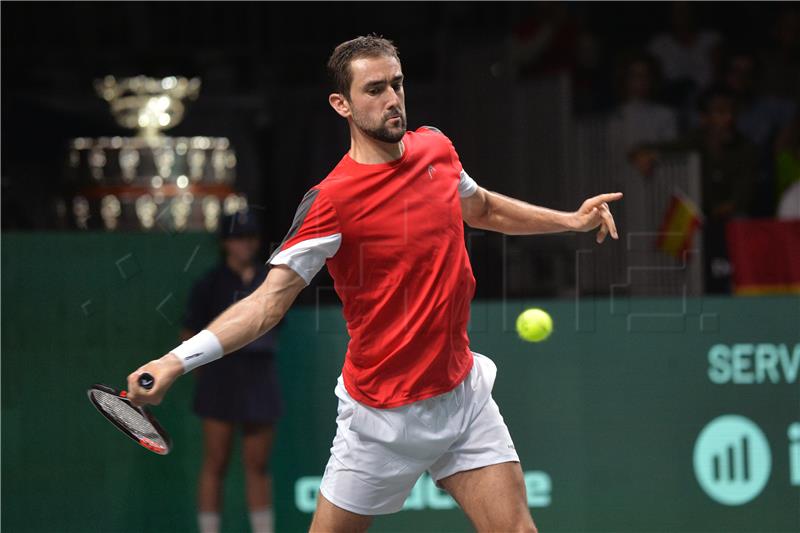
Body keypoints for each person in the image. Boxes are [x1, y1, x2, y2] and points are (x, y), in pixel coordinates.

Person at [127, 35, 622, 533]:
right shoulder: (331, 201)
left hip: (460, 395)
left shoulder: (436, 149)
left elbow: (484, 208)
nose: (392, 99)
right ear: (341, 104)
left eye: (397, 85)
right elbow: (265, 305)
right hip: (381, 419)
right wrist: (175, 361)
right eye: (374, 89)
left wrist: (571, 221)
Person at [183, 210, 281, 533]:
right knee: (216, 461)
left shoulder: (270, 281)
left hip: (260, 380)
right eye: (239, 239)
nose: (246, 245)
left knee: (258, 463)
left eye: (251, 238)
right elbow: (189, 335)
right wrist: (206, 375)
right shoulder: (208, 285)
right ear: (225, 243)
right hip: (219, 381)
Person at [630, 85, 758, 293]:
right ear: (704, 118)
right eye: (719, 112)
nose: (727, 119)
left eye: (731, 112)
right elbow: (654, 149)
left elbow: (744, 193)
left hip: (732, 223)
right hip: (696, 224)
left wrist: (730, 206)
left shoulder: (746, 148)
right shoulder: (695, 140)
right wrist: (645, 154)